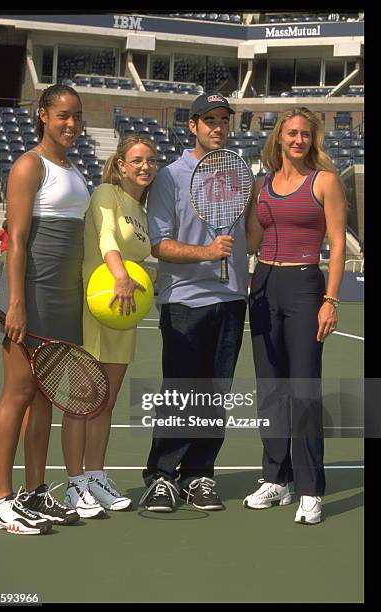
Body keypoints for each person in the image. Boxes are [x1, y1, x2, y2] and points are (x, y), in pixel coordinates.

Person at [139, 93, 248, 512]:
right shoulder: (169, 176)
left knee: (215, 394)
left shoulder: (240, 175)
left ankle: (200, 474)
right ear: (193, 126)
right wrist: (206, 253)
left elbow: (252, 233)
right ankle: (162, 476)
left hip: (231, 297)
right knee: (181, 392)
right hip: (184, 300)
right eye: (210, 121)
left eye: (224, 120)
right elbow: (159, 244)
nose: (218, 127)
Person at [0, 84, 90, 534]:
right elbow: (18, 240)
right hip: (34, 293)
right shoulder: (29, 165)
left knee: (48, 395)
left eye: (76, 116)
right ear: (43, 114)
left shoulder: (72, 167)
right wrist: (16, 303)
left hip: (66, 296)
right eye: (62, 115)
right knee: (17, 393)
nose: (71, 124)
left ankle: (33, 493)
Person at [243, 106, 346, 524]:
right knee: (271, 389)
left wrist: (331, 299)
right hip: (263, 286)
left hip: (305, 287)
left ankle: (309, 489)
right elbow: (252, 240)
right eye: (291, 133)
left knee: (303, 391)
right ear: (278, 138)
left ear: (312, 139)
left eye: (305, 133)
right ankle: (276, 479)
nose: (298, 140)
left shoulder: (325, 182)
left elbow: (337, 245)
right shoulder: (260, 186)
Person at [61, 135, 158, 518]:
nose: (145, 166)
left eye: (151, 160)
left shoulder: (144, 210)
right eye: (136, 160)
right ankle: (74, 484)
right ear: (120, 165)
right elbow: (104, 238)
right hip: (96, 304)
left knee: (106, 401)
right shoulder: (106, 193)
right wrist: (118, 274)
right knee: (82, 400)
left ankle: (97, 476)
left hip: (125, 313)